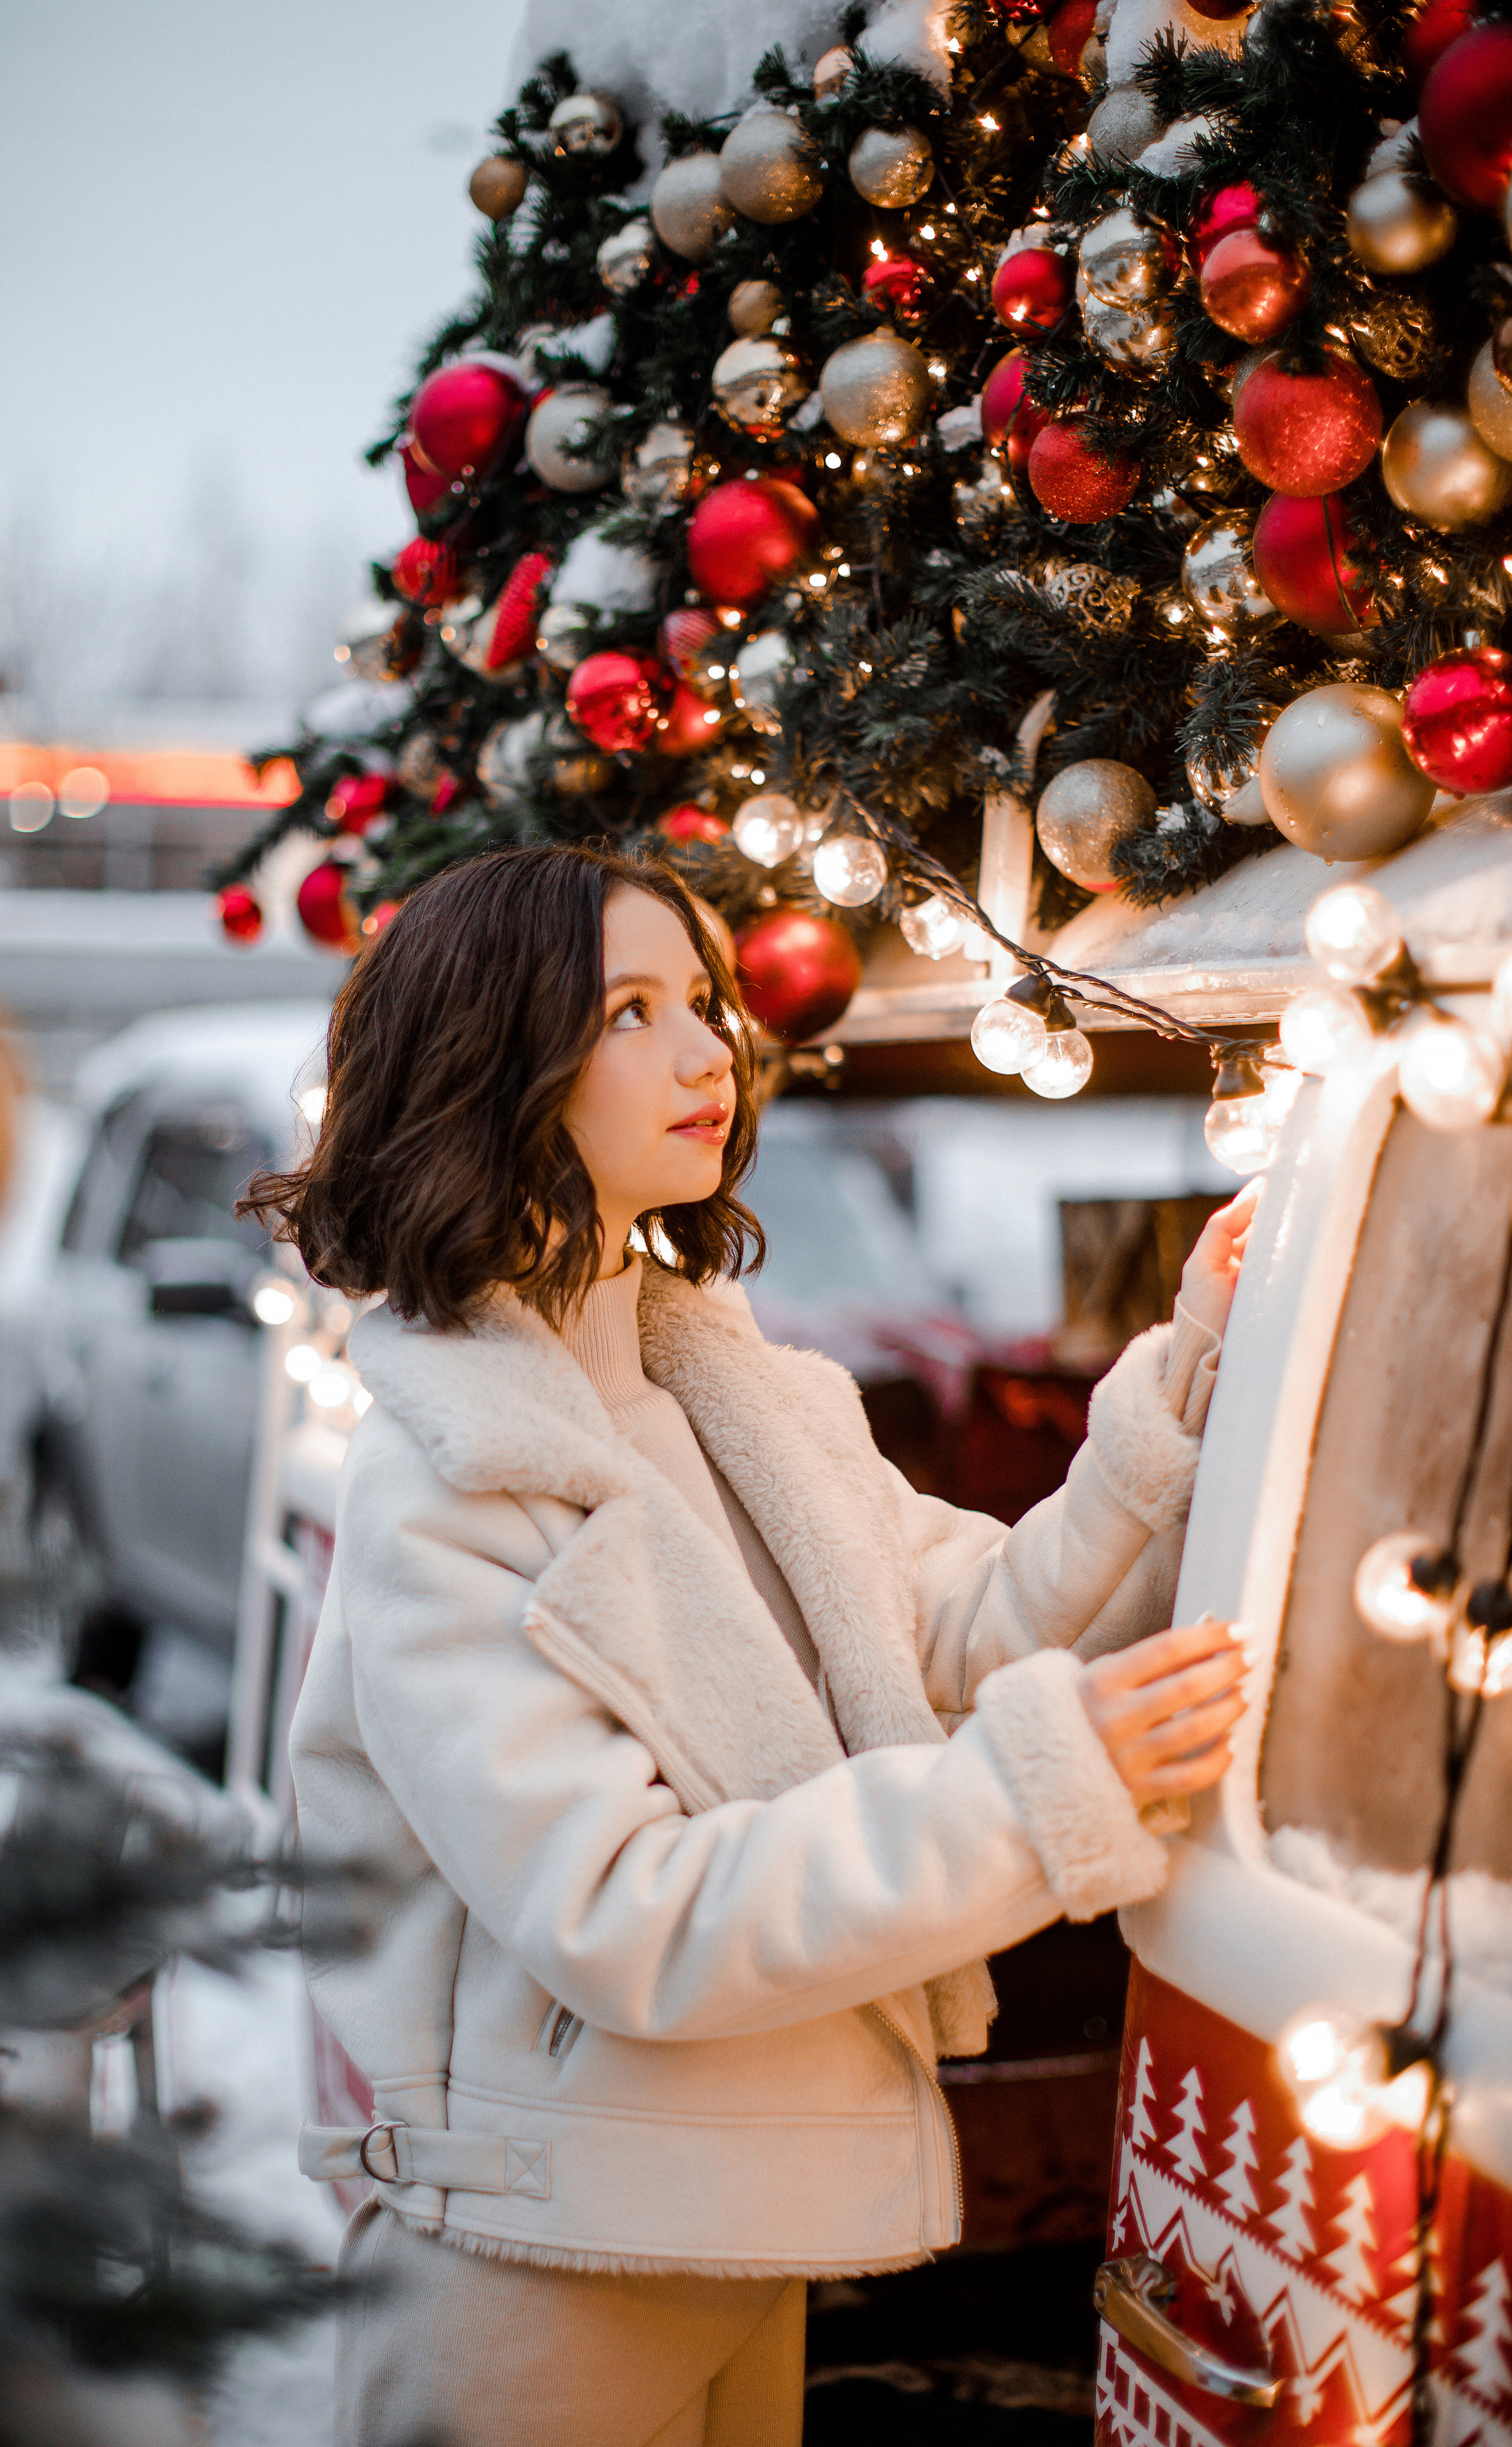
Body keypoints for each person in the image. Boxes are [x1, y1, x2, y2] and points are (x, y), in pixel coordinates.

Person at [250, 844, 1254, 2447]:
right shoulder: (448, 1475)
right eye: (627, 1011)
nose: (709, 1051)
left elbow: (962, 1631)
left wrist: (1200, 1365)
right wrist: (1033, 1794)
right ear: (490, 1059)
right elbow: (625, 1916)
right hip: (537, 2259)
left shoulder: (739, 1399)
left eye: (702, 1001)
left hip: (735, 2221)